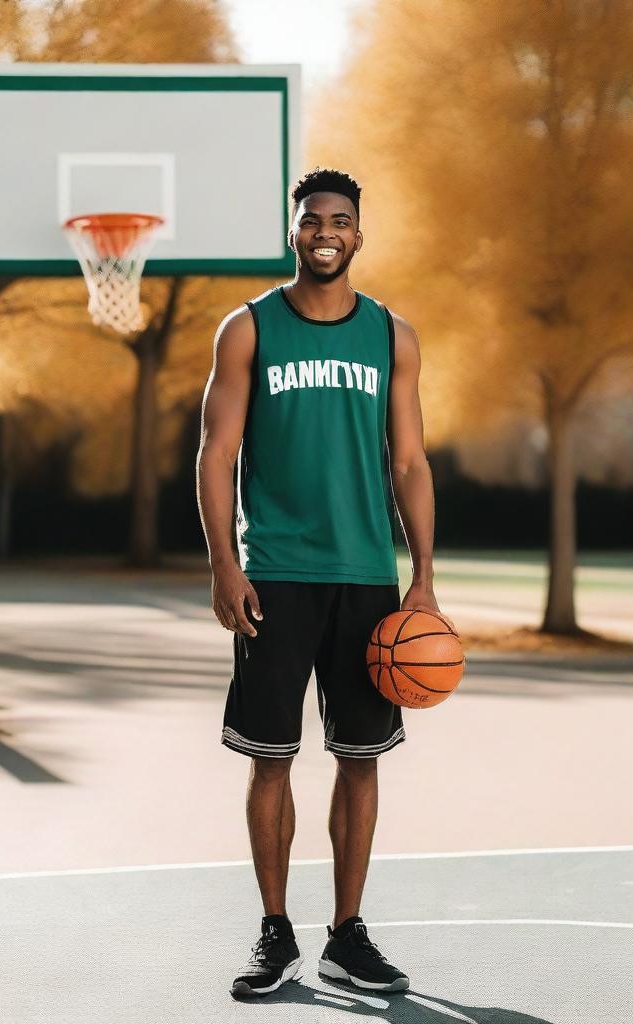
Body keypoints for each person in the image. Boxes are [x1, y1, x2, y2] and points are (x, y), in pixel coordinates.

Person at [196, 166, 445, 998]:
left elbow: (409, 460)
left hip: (367, 578)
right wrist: (223, 562)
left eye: (340, 219)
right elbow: (216, 452)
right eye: (312, 219)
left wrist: (424, 579)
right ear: (292, 231)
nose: (325, 231)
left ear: (359, 234)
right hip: (272, 575)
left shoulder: (391, 336)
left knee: (360, 759)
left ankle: (347, 934)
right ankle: (275, 933)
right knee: (271, 761)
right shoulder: (249, 329)